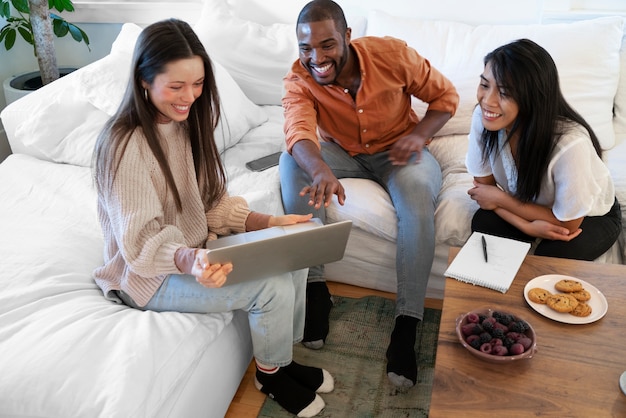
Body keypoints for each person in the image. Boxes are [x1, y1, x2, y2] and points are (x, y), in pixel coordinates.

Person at [92, 19, 333, 417]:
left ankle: (282, 361)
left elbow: (209, 202)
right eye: (176, 86)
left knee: (299, 244)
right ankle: (269, 376)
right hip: (148, 275)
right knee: (269, 286)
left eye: (198, 83)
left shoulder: (185, 124)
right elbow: (139, 245)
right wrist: (191, 259)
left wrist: (268, 222)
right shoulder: (125, 146)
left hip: (195, 252)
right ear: (143, 81)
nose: (190, 96)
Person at [279, 0, 459, 389]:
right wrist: (321, 169)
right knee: (291, 160)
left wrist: (418, 136)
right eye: (305, 48)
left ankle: (407, 323)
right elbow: (297, 130)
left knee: (415, 201)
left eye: (327, 45)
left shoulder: (392, 55)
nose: (316, 58)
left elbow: (445, 99)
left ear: (346, 36)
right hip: (341, 152)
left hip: (399, 151)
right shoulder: (298, 78)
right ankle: (315, 289)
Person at [466, 38, 621, 261]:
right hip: (531, 206)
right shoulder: (483, 118)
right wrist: (526, 226)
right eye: (484, 85)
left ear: (533, 97)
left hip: (587, 215)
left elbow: (567, 223)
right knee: (483, 222)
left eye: (504, 92)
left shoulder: (569, 144)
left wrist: (501, 201)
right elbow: (484, 191)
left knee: (553, 255)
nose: (487, 101)